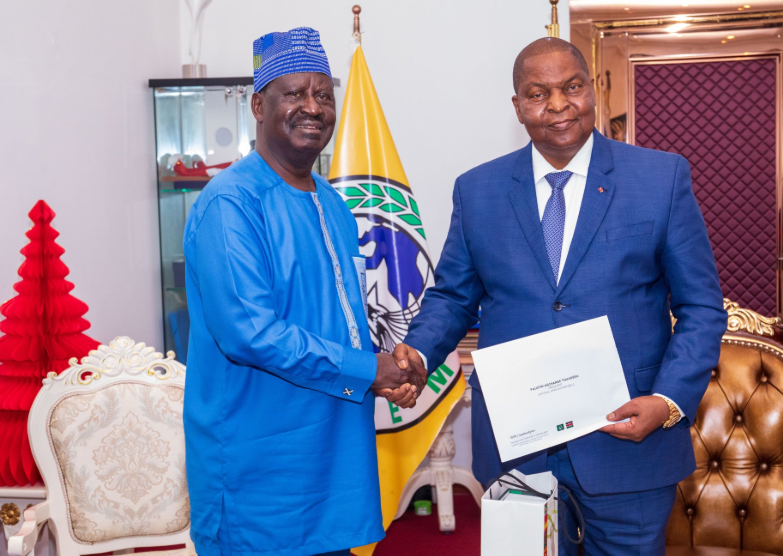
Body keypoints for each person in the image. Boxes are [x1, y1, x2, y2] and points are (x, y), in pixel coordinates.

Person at [394, 38, 727, 554]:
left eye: (571, 87)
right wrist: (415, 354)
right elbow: (453, 297)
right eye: (537, 93)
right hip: (518, 448)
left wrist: (667, 402)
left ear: (591, 90)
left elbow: (702, 307)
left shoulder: (660, 178)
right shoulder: (477, 190)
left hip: (629, 441)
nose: (557, 105)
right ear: (517, 106)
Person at [182, 27, 425, 556]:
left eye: (323, 94)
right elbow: (250, 334)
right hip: (261, 473)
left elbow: (343, 320)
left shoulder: (332, 203)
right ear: (258, 104)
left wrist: (389, 368)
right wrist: (371, 371)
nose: (312, 107)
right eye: (294, 94)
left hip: (334, 457)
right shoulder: (231, 205)